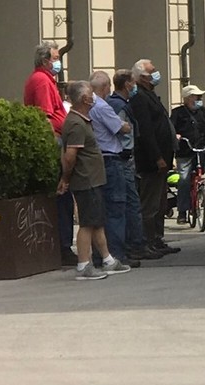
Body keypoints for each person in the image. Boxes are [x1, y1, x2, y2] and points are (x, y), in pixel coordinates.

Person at [58, 81, 132, 280]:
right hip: (86, 180)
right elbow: (70, 155)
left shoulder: (83, 119)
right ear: (84, 99)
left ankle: (107, 259)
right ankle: (83, 265)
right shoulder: (75, 123)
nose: (94, 98)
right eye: (91, 95)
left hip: (93, 179)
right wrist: (66, 178)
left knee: (97, 221)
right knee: (88, 223)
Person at [23, 41, 75, 266]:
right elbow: (45, 117)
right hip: (55, 141)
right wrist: (55, 150)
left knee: (63, 198)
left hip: (58, 137)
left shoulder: (46, 79)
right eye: (55, 58)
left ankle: (64, 245)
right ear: (45, 61)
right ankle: (63, 247)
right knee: (62, 196)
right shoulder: (42, 81)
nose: (58, 62)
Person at [108, 69, 161, 261]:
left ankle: (135, 244)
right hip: (122, 159)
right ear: (128, 84)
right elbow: (121, 131)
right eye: (133, 82)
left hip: (124, 159)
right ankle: (134, 245)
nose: (134, 86)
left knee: (130, 203)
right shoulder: (119, 105)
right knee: (129, 204)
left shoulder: (122, 103)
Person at [87, 71, 139, 268]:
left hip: (97, 160)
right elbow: (121, 128)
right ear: (105, 87)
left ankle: (100, 254)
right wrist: (126, 125)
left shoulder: (88, 106)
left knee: (100, 211)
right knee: (116, 208)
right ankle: (115, 255)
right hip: (111, 159)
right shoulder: (102, 106)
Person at [129, 59, 180, 255]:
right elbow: (147, 131)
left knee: (160, 202)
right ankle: (146, 242)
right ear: (143, 77)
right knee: (149, 203)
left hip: (163, 157)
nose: (157, 74)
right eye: (153, 72)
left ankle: (157, 239)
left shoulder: (149, 94)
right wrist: (157, 157)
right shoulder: (140, 98)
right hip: (151, 160)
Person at [170, 85, 205, 223]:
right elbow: (171, 127)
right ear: (188, 98)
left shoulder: (204, 112)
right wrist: (175, 135)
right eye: (197, 97)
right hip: (185, 150)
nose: (200, 99)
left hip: (202, 146)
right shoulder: (178, 113)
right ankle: (182, 212)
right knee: (183, 179)